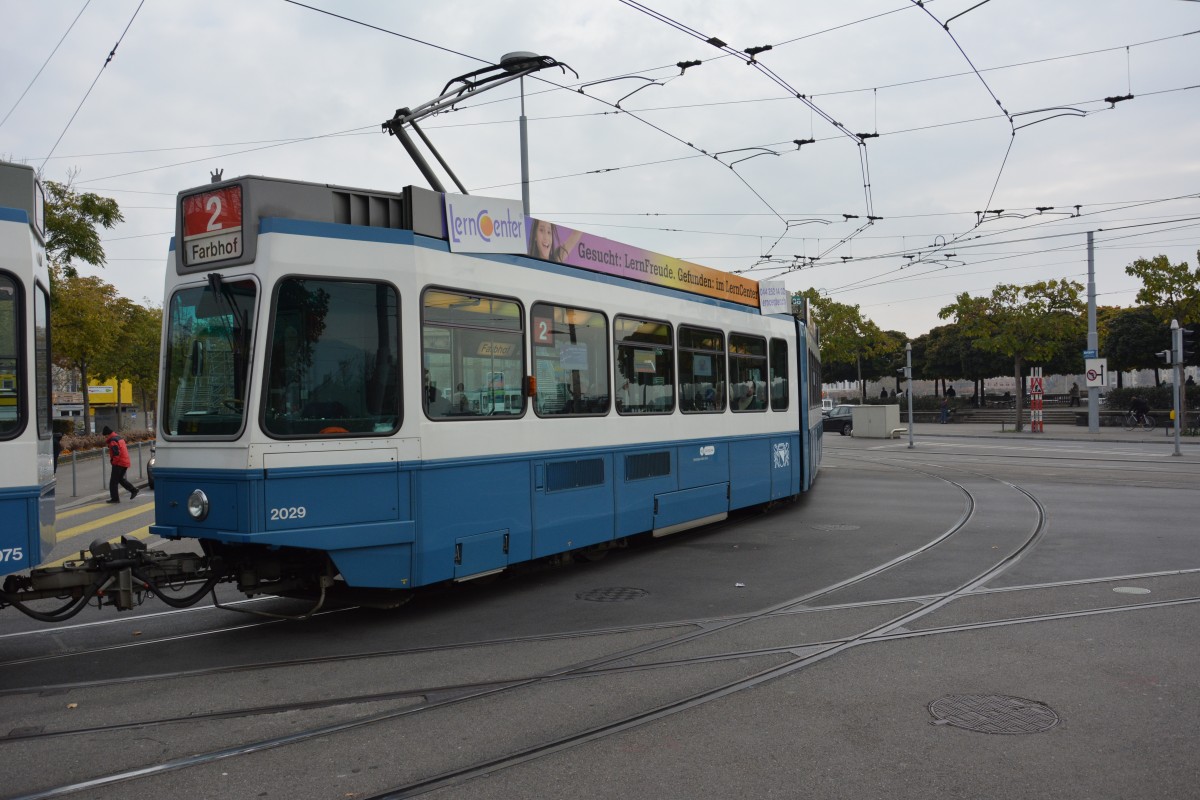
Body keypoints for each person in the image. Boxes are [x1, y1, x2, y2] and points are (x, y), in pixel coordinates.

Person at [103, 426, 138, 503]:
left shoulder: (113, 441)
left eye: (105, 436)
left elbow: (116, 453)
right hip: (125, 461)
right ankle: (133, 490)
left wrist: (114, 463)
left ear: (107, 434)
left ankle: (115, 498)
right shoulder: (118, 438)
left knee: (113, 482)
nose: (105, 438)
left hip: (119, 463)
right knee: (120, 479)